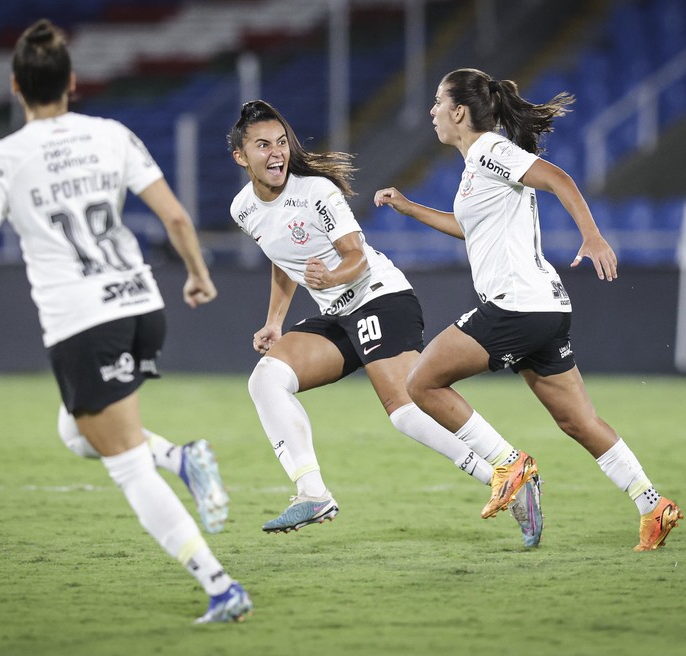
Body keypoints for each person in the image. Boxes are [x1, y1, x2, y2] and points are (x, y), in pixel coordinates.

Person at [0, 19, 252, 622]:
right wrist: (198, 274)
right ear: (73, 83)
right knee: (74, 430)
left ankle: (221, 586)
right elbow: (178, 219)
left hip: (86, 322)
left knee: (125, 467)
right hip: (143, 308)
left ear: (15, 87)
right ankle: (182, 458)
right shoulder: (111, 133)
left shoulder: (3, 157)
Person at [373, 68, 682, 551]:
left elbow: (557, 177)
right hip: (545, 308)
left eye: (438, 102)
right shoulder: (477, 164)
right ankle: (653, 505)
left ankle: (508, 463)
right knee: (579, 421)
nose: (432, 111)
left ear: (458, 112)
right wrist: (411, 208)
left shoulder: (491, 151)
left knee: (420, 382)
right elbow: (467, 227)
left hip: (515, 305)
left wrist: (592, 235)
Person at [227, 99, 543, 546]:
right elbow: (282, 260)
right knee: (265, 381)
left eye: (281, 142)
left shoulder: (316, 192)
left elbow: (355, 255)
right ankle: (312, 492)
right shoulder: (243, 209)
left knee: (407, 412)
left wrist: (331, 276)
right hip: (337, 315)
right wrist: (275, 321)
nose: (276, 152)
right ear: (241, 157)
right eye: (263, 145)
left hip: (379, 297)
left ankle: (509, 472)